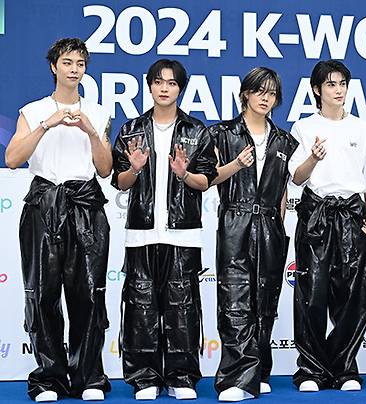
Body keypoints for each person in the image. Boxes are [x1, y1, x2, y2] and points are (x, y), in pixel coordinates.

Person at [5, 37, 113, 402]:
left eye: (80, 63)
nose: (74, 69)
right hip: (44, 204)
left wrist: (91, 132)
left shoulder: (98, 112)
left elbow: (105, 168)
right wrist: (46, 125)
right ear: (54, 67)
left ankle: (89, 377)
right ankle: (49, 378)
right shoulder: (33, 110)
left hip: (86, 205)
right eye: (67, 62)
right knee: (42, 293)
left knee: (89, 294)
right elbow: (13, 158)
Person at [111, 59, 217, 401]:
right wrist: (135, 169)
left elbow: (206, 181)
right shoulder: (131, 130)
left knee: (182, 309)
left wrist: (184, 174)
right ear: (150, 85)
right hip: (141, 233)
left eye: (171, 83)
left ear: (180, 89)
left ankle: (181, 377)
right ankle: (144, 378)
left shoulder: (197, 131)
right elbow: (119, 182)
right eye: (159, 82)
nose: (164, 88)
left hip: (182, 233)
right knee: (140, 308)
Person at [289, 60, 366, 392]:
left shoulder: (362, 128)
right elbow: (296, 177)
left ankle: (344, 368)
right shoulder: (303, 127)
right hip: (316, 215)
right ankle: (311, 370)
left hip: (352, 216)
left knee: (353, 297)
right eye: (331, 84)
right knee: (311, 296)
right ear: (317, 89)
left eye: (342, 83)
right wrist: (313, 158)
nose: (338, 90)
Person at [208, 67, 298, 401]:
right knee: (234, 300)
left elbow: (284, 189)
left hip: (270, 225)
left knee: (266, 301)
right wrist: (235, 165)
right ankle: (236, 379)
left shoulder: (284, 140)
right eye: (259, 91)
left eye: (272, 93)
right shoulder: (222, 133)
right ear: (245, 93)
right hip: (236, 220)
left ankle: (259, 372)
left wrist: (279, 222)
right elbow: (208, 178)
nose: (265, 98)